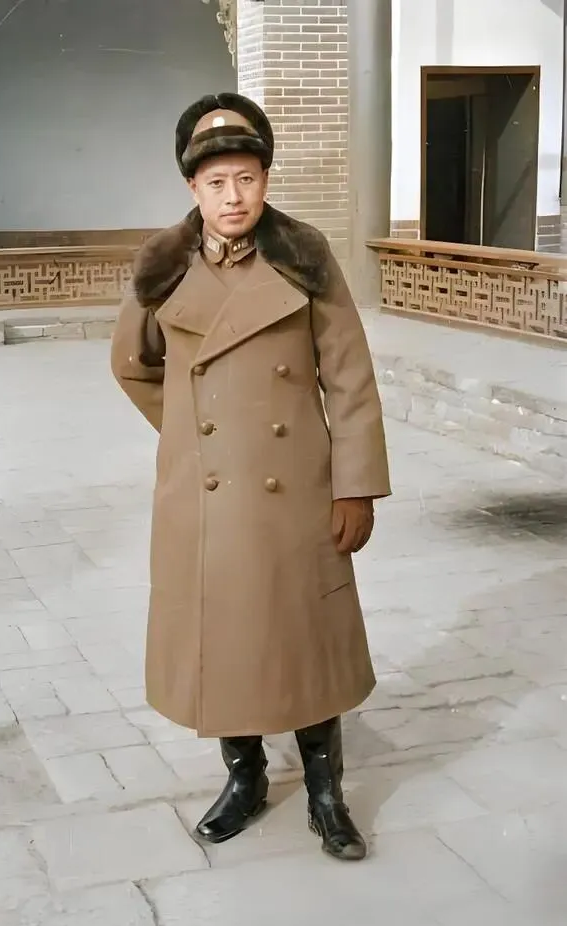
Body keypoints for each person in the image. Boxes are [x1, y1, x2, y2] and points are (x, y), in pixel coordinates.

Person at [111, 93, 390, 861]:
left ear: (265, 179)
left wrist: (355, 485)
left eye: (246, 178)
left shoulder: (303, 254)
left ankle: (327, 794)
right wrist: (191, 438)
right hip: (207, 502)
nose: (233, 197)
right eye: (216, 183)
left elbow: (350, 376)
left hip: (296, 491)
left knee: (306, 637)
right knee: (225, 637)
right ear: (192, 188)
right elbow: (133, 364)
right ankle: (246, 779)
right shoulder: (163, 265)